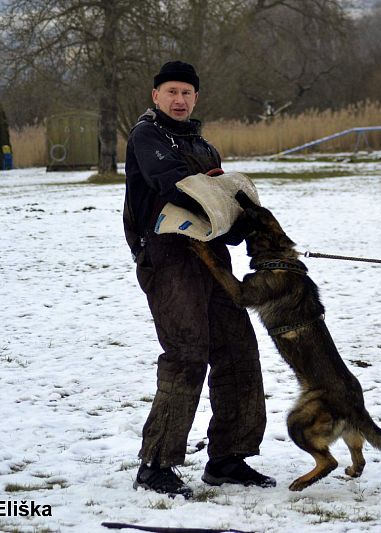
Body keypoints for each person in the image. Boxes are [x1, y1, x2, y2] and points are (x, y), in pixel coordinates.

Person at [123, 60, 275, 498]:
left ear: (196, 98)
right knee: (187, 354)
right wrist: (218, 190)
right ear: (156, 95)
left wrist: (254, 225)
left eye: (187, 93)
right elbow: (170, 183)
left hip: (212, 259)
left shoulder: (204, 146)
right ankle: (156, 465)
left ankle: (228, 458)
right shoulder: (147, 136)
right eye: (171, 91)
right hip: (168, 259)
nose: (179, 100)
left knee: (238, 351)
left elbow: (222, 213)